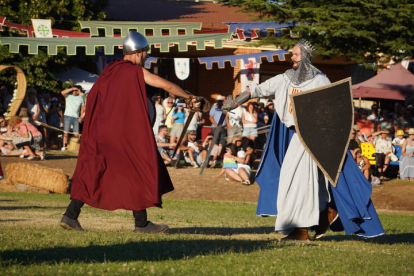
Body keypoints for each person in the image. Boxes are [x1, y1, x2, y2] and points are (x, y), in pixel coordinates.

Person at [223, 39, 384, 240]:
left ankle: (300, 228)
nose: (291, 57)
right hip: (297, 136)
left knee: (297, 180)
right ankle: (324, 214)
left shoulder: (320, 81)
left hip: (316, 137)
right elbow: (257, 90)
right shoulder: (285, 78)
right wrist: (235, 101)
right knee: (307, 181)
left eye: (295, 54)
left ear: (306, 57)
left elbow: (334, 110)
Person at [59, 31, 195, 233]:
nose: (146, 57)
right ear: (139, 52)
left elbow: (93, 101)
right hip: (122, 136)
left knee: (92, 172)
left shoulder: (108, 72)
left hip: (100, 134)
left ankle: (70, 216)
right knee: (137, 172)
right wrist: (189, 97)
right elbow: (165, 84)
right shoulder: (133, 71)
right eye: (146, 53)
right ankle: (141, 225)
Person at [60, 85, 86, 151]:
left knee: (76, 133)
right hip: (67, 116)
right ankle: (64, 146)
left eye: (76, 90)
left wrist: (81, 117)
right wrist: (71, 88)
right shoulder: (68, 96)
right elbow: (62, 92)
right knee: (66, 133)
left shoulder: (81, 97)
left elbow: (83, 108)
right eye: (74, 90)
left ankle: (75, 147)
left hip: (76, 117)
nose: (74, 91)